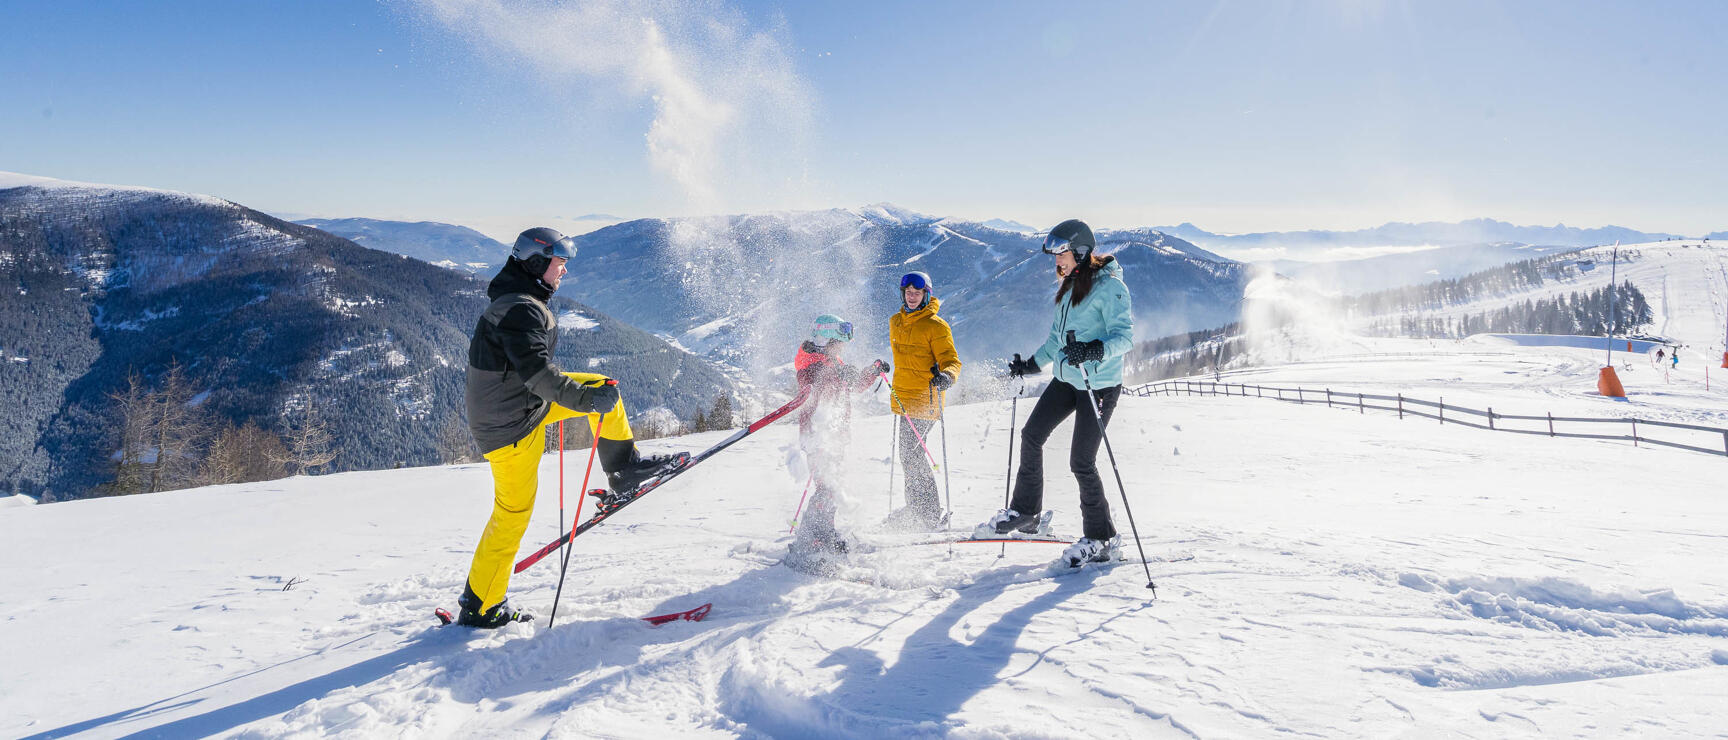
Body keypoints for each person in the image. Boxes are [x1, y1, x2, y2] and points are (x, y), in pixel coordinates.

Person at [456, 227, 688, 628]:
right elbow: (537, 373)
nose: (563, 271)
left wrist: (586, 398)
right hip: (510, 427)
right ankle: (480, 607)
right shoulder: (520, 309)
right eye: (559, 263)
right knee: (511, 514)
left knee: (605, 391)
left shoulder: (522, 301)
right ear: (536, 263)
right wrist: (579, 400)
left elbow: (535, 378)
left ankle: (624, 470)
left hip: (521, 406)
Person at [977, 219, 1134, 567]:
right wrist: (1031, 365)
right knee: (1031, 435)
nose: (1056, 261)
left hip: (1099, 384)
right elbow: (1055, 341)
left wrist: (1093, 350)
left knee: (1081, 461)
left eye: (1060, 254)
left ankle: (1102, 537)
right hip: (1067, 378)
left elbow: (1125, 338)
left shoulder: (1111, 288)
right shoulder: (1069, 285)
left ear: (1079, 251)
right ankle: (1026, 512)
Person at [787, 314, 889, 565]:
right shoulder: (811, 364)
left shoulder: (832, 361)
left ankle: (823, 534)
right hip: (818, 437)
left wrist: (872, 371)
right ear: (828, 341)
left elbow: (852, 384)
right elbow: (813, 383)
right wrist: (838, 373)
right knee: (827, 488)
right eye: (840, 343)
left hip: (835, 436)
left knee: (832, 486)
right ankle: (811, 540)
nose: (843, 348)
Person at [881, 271, 963, 532]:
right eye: (908, 292)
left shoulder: (936, 325)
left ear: (926, 294)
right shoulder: (896, 321)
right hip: (904, 398)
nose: (912, 296)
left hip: (926, 399)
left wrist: (948, 377)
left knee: (912, 454)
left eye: (917, 293)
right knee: (909, 455)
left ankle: (926, 513)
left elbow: (951, 360)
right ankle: (916, 508)